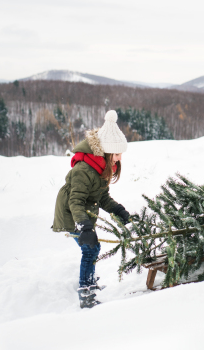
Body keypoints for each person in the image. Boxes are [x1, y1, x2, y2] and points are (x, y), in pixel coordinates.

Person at [52, 110, 131, 308]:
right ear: (106, 151)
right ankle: (86, 292)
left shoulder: (101, 167)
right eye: (117, 153)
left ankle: (89, 283)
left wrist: (119, 211)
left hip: (83, 217)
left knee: (93, 249)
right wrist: (84, 226)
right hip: (73, 215)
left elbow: (101, 197)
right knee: (91, 249)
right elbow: (75, 201)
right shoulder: (84, 170)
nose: (120, 158)